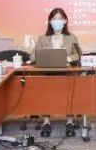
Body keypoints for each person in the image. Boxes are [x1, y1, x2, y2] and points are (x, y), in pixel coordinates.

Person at [31, 8, 83, 137]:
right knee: (46, 95)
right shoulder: (42, 38)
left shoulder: (72, 37)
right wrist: (44, 57)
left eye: (60, 19)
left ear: (65, 21)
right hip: (47, 73)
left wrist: (69, 58)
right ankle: (46, 122)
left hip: (66, 73)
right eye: (54, 19)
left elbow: (79, 53)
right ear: (50, 21)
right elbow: (32, 56)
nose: (57, 21)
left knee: (69, 94)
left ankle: (69, 121)